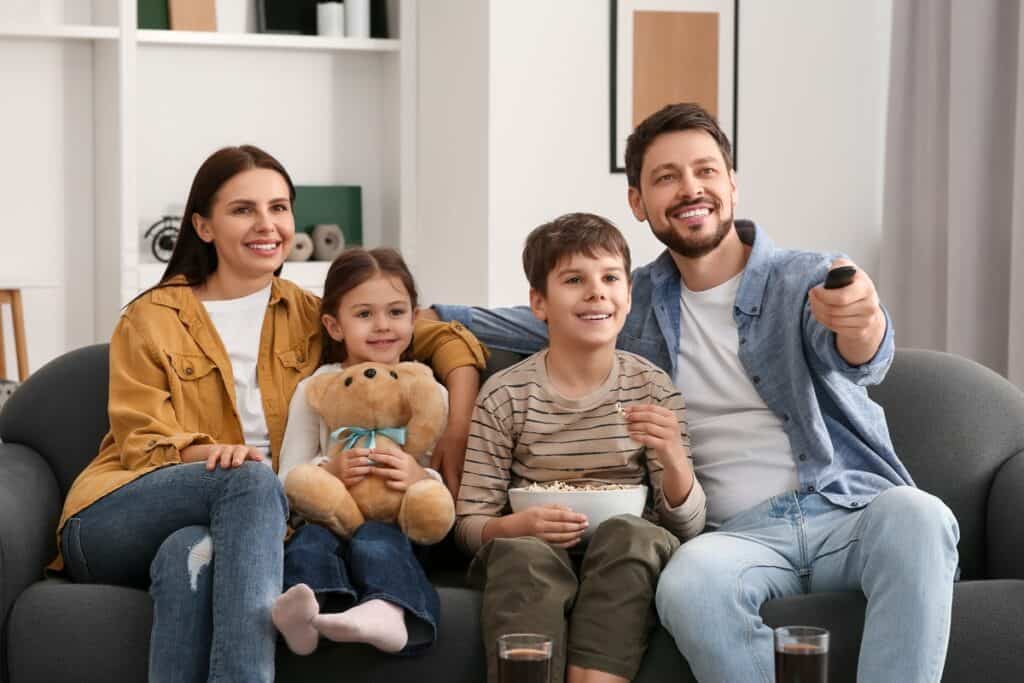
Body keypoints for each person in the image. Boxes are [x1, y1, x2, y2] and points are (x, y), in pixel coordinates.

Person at [426, 104, 960, 682]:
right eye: (666, 177)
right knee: (685, 587)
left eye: (705, 171)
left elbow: (859, 355)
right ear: (638, 202)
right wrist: (433, 354)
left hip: (847, 510)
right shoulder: (629, 300)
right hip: (732, 537)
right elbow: (506, 321)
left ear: (731, 183)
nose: (690, 189)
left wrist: (864, 322)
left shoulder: (803, 278)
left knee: (921, 517)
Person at [51, 145, 487, 683]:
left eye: (279, 208)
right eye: (244, 210)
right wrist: (214, 455)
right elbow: (141, 440)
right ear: (204, 227)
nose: (268, 225)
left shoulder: (312, 312)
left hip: (233, 524)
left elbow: (441, 333)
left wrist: (459, 422)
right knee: (252, 482)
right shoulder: (151, 318)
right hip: (116, 513)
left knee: (190, 556)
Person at [454, 213, 706, 683]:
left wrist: (673, 457)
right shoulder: (506, 394)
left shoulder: (651, 388)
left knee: (633, 537)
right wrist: (516, 525)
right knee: (520, 555)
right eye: (574, 280)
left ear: (628, 297)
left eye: (611, 278)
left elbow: (687, 525)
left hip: (628, 548)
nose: (596, 292)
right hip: (531, 547)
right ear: (539, 302)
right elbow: (468, 525)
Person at [272, 246, 453, 657]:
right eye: (364, 314)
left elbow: (438, 481)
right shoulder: (316, 389)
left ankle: (388, 609)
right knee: (308, 541)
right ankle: (312, 616)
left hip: (397, 526)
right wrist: (328, 470)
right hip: (330, 519)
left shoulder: (427, 390)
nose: (382, 326)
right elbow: (286, 479)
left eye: (395, 312)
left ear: (414, 316)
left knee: (375, 537)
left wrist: (417, 477)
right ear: (335, 326)